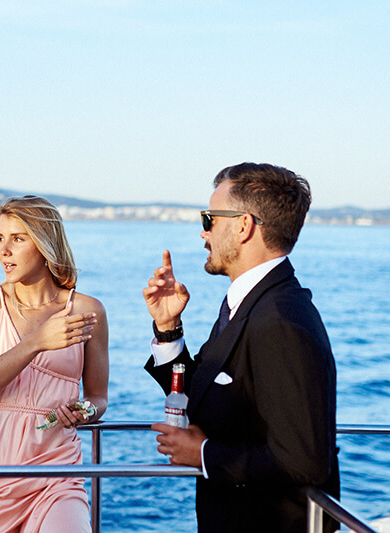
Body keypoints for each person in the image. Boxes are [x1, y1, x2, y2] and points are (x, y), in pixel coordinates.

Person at [143, 163, 339, 532]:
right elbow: (201, 389)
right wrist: (168, 328)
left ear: (243, 225)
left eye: (209, 219)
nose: (203, 234)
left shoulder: (279, 320)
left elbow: (305, 460)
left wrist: (202, 454)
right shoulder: (252, 304)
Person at [0, 195, 109, 533]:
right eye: (0, 239)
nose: (4, 250)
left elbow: (98, 397)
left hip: (55, 471)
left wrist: (84, 411)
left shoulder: (87, 311)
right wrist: (36, 343)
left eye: (18, 239)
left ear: (46, 244)